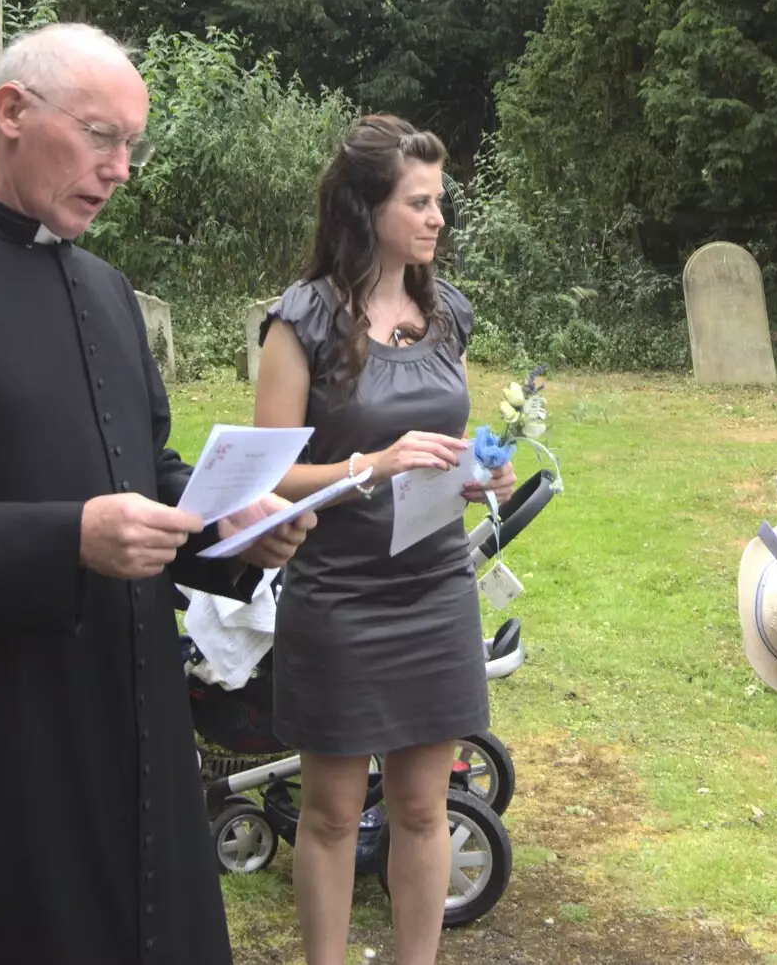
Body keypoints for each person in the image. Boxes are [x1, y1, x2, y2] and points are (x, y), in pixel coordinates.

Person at [0, 22, 315, 965]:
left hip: (128, 717)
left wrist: (230, 524)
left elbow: (140, 473)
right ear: (12, 114)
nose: (120, 169)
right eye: (100, 137)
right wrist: (67, 538)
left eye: (132, 145)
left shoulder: (108, 290)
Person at [253, 113, 516, 965]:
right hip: (337, 594)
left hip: (436, 589)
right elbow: (265, 477)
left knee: (423, 807)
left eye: (441, 201)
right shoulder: (302, 322)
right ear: (366, 209)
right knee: (331, 812)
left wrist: (480, 474)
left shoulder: (451, 316)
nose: (438, 218)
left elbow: (448, 438)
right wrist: (372, 463)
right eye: (420, 201)